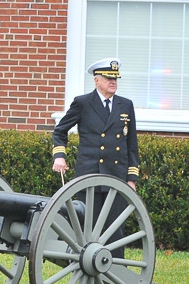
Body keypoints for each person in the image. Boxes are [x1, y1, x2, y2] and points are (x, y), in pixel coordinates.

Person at [51, 58, 139, 258]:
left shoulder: (125, 105)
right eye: (108, 78)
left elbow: (131, 145)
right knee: (87, 228)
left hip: (116, 176)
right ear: (96, 80)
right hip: (89, 175)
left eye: (115, 79)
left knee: (115, 229)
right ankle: (86, 265)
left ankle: (116, 268)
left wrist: (132, 178)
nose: (113, 82)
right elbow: (60, 131)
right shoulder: (83, 103)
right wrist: (60, 156)